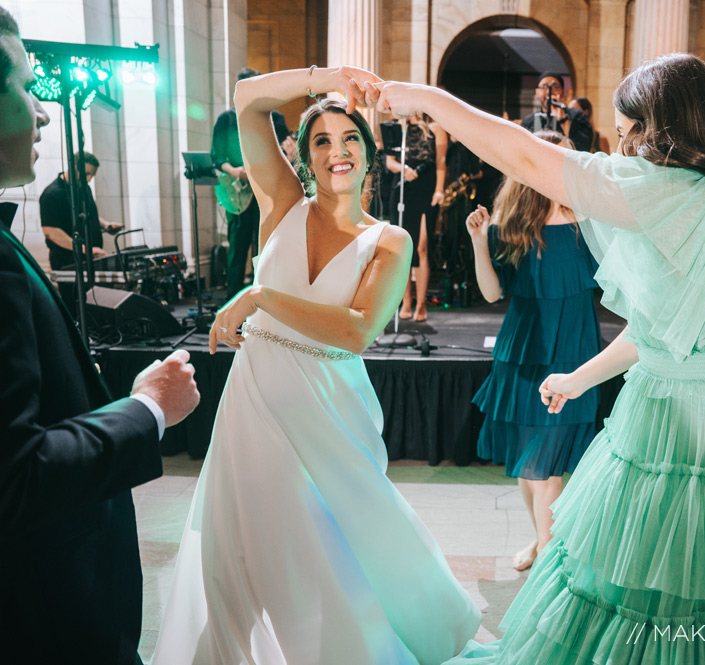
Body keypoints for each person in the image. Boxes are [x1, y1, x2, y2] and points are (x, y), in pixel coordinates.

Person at [371, 54, 705, 663]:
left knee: (651, 587)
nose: (626, 147)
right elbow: (666, 334)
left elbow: (529, 159)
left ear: (659, 127)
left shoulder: (672, 193)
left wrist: (429, 99)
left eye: (630, 130)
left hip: (680, 429)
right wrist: (581, 378)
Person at [153, 65, 479, 665]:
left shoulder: (389, 239)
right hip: (255, 396)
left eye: (349, 137)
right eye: (322, 140)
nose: (337, 152)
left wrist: (261, 297)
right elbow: (247, 101)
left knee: (323, 545)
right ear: (303, 154)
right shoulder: (281, 201)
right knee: (235, 542)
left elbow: (356, 331)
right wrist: (323, 76)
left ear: (369, 147)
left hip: (328, 401)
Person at [0, 8, 200, 664]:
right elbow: (16, 473)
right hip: (42, 618)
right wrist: (147, 409)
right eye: (27, 88)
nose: (45, 112)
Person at [467, 130, 600, 571]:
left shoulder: (589, 218)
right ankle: (541, 539)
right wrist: (477, 240)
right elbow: (490, 294)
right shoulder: (511, 225)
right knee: (529, 464)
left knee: (550, 463)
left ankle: (548, 550)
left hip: (573, 349)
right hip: (522, 352)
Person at [212, 66, 290, 299]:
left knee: (266, 248)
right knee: (238, 249)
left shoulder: (275, 118)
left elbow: (286, 152)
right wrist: (235, 172)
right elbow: (216, 157)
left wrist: (291, 152)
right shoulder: (226, 119)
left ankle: (264, 300)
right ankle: (232, 304)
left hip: (267, 190)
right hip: (238, 192)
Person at [385, 114, 447, 320]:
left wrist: (439, 190)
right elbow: (390, 162)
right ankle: (406, 302)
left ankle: (421, 304)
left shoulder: (435, 128)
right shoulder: (395, 128)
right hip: (403, 186)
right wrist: (403, 169)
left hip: (426, 185)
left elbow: (441, 161)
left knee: (421, 246)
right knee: (402, 247)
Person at [40, 150, 122, 270]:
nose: (89, 179)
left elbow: (86, 214)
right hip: (68, 261)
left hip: (90, 258)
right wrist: (86, 249)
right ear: (73, 168)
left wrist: (106, 225)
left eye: (92, 175)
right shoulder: (52, 194)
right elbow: (51, 232)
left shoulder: (83, 187)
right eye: (87, 173)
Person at [521, 72, 593, 155]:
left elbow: (584, 148)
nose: (549, 92)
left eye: (555, 87)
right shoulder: (528, 121)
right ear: (537, 92)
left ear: (562, 91)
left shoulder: (577, 115)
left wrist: (564, 121)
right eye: (544, 87)